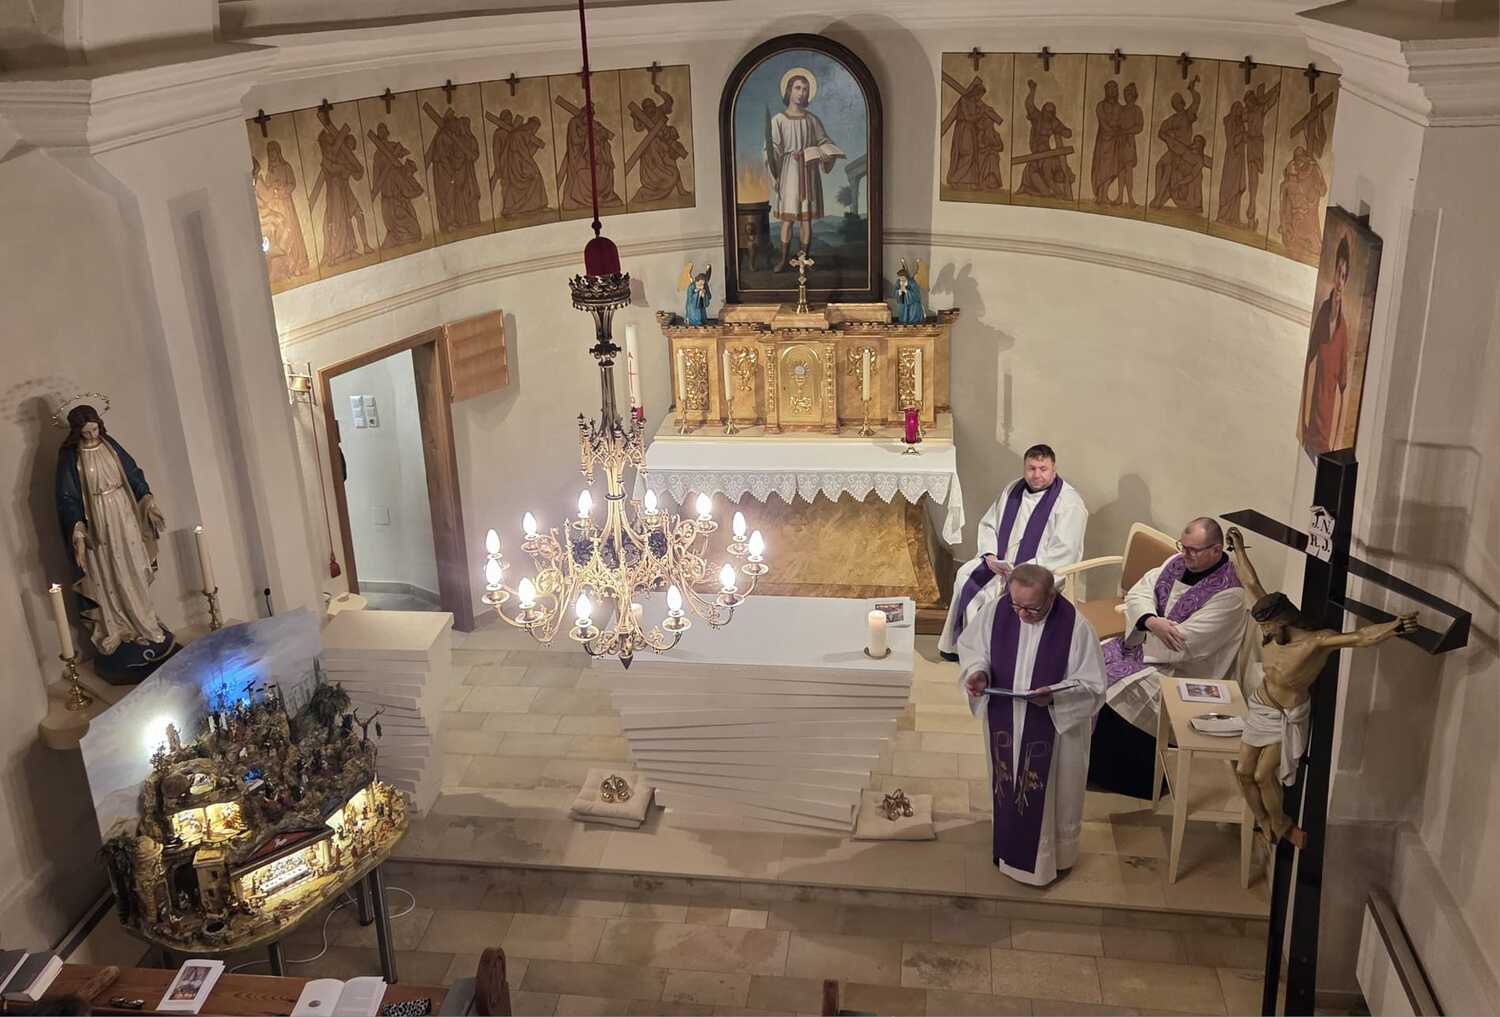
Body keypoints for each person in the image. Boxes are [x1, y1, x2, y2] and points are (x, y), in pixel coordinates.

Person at [1225, 527, 1417, 848]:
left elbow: (1360, 638)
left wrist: (1395, 627)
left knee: (1262, 775)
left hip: (1285, 716)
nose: (1263, 632)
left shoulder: (1314, 643)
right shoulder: (1270, 628)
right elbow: (1251, 582)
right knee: (1243, 772)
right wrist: (1239, 549)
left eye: (1267, 625)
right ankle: (1263, 820)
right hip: (1260, 707)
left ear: (1283, 620)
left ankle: (1281, 824)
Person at [958, 565, 1106, 886]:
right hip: (1005, 719)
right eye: (1017, 605)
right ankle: (1007, 848)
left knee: (1052, 796)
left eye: (1032, 608)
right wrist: (978, 673)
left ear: (1051, 596)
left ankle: (1055, 858)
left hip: (1055, 732)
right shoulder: (998, 611)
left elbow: (1093, 687)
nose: (1022, 614)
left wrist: (1054, 696)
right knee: (1007, 785)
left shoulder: (1076, 628)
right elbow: (972, 648)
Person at [1089, 517, 1247, 798]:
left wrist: (1152, 629)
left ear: (1216, 549)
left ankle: (1132, 778)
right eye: (1182, 546)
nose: (1185, 554)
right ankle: (1089, 761)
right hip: (1147, 644)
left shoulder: (1230, 593)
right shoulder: (1175, 562)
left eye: (1193, 550)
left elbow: (1185, 641)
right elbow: (1140, 591)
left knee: (1118, 688)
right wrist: (1150, 620)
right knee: (1091, 665)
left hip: (1184, 668)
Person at [55, 403, 177, 679]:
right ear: (77, 432)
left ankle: (146, 622)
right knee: (109, 573)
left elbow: (133, 474)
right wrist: (77, 531)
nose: (92, 435)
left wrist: (147, 500)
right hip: (98, 522)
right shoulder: (70, 457)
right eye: (86, 432)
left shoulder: (110, 446)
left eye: (95, 429)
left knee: (134, 567)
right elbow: (67, 498)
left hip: (124, 512)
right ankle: (120, 627)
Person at [938, 445, 1087, 661]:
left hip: (1041, 570)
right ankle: (967, 647)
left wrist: (1023, 570)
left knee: (1005, 592)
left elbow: (1065, 551)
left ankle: (998, 656)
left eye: (1043, 469)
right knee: (964, 576)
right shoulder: (1012, 490)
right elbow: (989, 525)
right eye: (1031, 468)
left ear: (1054, 470)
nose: (1036, 475)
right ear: (1024, 468)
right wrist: (990, 556)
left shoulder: (1069, 503)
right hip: (1004, 563)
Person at [767, 71, 841, 271]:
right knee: (788, 219)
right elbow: (772, 149)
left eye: (805, 89)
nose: (801, 93)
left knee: (806, 219)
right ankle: (784, 259)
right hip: (789, 171)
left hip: (809, 170)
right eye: (798, 88)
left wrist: (827, 153)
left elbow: (824, 141)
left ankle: (804, 260)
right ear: (789, 90)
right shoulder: (778, 120)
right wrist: (774, 173)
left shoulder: (812, 119)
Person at [1300, 235, 1352, 457]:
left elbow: (1344, 389)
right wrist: (1301, 422)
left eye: (1344, 276)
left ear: (1346, 281)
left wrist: (1336, 446)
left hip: (1326, 446)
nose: (1339, 281)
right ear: (1333, 273)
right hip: (1309, 435)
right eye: (1338, 273)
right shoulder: (1322, 314)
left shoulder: (1343, 331)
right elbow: (1306, 362)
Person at [1150, 76, 1205, 211]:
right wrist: (1168, 136)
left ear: (1183, 103)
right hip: (1173, 149)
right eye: (1174, 102)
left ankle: (1159, 199)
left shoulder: (1188, 115)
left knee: (1168, 168)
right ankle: (1158, 195)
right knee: (1159, 165)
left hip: (1183, 151)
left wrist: (1192, 89)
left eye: (1178, 101)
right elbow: (1161, 132)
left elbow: (1197, 100)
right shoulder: (1172, 119)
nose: (1176, 104)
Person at [945, 76, 1006, 192]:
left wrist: (987, 112)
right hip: (964, 129)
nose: (979, 98)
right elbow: (968, 117)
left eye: (980, 96)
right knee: (967, 154)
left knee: (973, 156)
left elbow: (983, 114)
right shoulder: (964, 101)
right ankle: (954, 179)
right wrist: (980, 114)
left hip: (972, 130)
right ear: (975, 92)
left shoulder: (975, 103)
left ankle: (971, 182)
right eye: (979, 95)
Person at [1018, 79, 1075, 199]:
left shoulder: (1053, 121)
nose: (1049, 114)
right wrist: (1032, 90)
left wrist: (1063, 131)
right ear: (1043, 111)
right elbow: (1029, 105)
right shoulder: (1037, 117)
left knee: (1049, 171)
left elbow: (1068, 133)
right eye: (1047, 111)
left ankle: (1060, 193)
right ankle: (1039, 190)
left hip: (1046, 154)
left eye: (1051, 112)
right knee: (1037, 179)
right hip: (1036, 154)